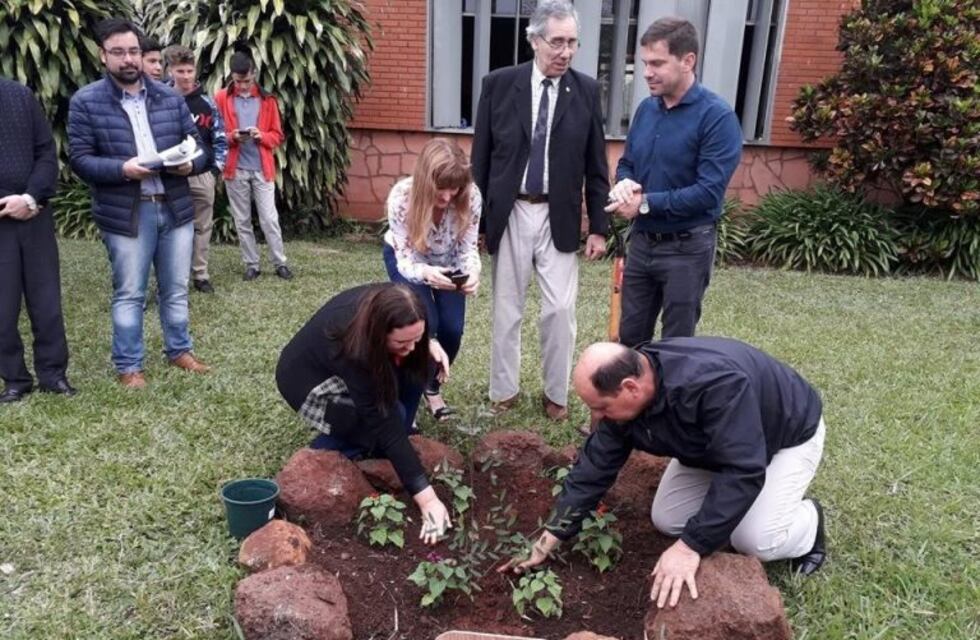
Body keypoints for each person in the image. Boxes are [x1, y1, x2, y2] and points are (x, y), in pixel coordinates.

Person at [504, 339, 828, 609]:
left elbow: (743, 469)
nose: (597, 416)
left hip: (784, 437)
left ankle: (809, 526)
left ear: (630, 386)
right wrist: (551, 536)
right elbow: (594, 468)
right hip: (714, 447)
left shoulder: (712, 384)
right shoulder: (629, 396)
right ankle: (739, 513)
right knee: (668, 518)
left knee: (754, 540)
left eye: (601, 408)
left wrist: (690, 547)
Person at [471, 0, 609, 422]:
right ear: (534, 40)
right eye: (557, 42)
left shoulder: (586, 91)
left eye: (572, 43)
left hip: (559, 215)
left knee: (560, 311)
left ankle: (556, 395)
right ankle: (504, 392)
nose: (565, 52)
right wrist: (475, 223)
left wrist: (599, 228)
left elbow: (596, 163)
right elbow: (481, 158)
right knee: (507, 308)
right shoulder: (498, 84)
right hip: (510, 210)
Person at [68, 18, 212, 388]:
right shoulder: (86, 102)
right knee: (131, 292)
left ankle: (179, 350)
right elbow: (81, 160)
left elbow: (200, 147)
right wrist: (122, 169)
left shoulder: (169, 97)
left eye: (133, 51)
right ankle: (129, 366)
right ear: (103, 56)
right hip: (129, 211)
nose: (128, 59)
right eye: (118, 52)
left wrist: (189, 164)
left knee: (176, 287)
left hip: (175, 205)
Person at [276, 283, 453, 544]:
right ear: (379, 332)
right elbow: (383, 420)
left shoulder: (401, 303)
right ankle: (325, 452)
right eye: (402, 342)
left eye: (417, 338)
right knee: (385, 423)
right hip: (308, 382)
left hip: (354, 364)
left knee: (424, 362)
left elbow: (412, 344)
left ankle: (393, 436)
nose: (411, 347)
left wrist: (429, 343)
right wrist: (428, 499)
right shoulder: (353, 345)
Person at [605, 17, 742, 345]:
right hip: (643, 244)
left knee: (677, 346)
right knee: (630, 340)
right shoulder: (645, 110)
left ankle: (672, 399)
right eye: (644, 64)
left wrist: (645, 204)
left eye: (657, 63)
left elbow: (708, 193)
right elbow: (628, 164)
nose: (647, 72)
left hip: (687, 248)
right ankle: (637, 398)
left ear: (687, 60)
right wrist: (624, 184)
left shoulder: (717, 117)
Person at [383, 138, 482, 421]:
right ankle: (406, 402)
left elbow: (468, 249)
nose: (449, 196)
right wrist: (426, 274)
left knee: (452, 330)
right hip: (410, 262)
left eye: (456, 188)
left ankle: (431, 385)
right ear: (426, 180)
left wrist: (472, 273)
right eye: (442, 188)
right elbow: (404, 261)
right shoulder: (402, 197)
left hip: (449, 262)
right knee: (424, 326)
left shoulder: (472, 196)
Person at [0, 78, 75, 403]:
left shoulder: (19, 95)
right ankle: (15, 379)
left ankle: (53, 375)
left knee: (47, 303)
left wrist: (30, 198)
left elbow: (45, 152)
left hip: (34, 215)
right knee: (1, 309)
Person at [214, 52, 292, 282]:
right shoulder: (220, 98)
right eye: (238, 81)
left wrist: (262, 136)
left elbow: (277, 136)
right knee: (242, 220)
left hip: (262, 167)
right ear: (232, 77)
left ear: (254, 74)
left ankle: (280, 263)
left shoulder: (268, 100)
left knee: (269, 218)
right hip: (235, 168)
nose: (243, 86)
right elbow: (216, 135)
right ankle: (252, 265)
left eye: (247, 81)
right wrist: (232, 137)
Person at [165, 45, 228, 294]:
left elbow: (220, 139)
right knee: (170, 227)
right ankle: (172, 277)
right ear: (171, 71)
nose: (186, 76)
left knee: (202, 226)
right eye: (180, 70)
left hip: (201, 176)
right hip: (169, 176)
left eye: (190, 70)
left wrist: (215, 170)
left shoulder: (207, 104)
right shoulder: (160, 100)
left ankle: (200, 275)